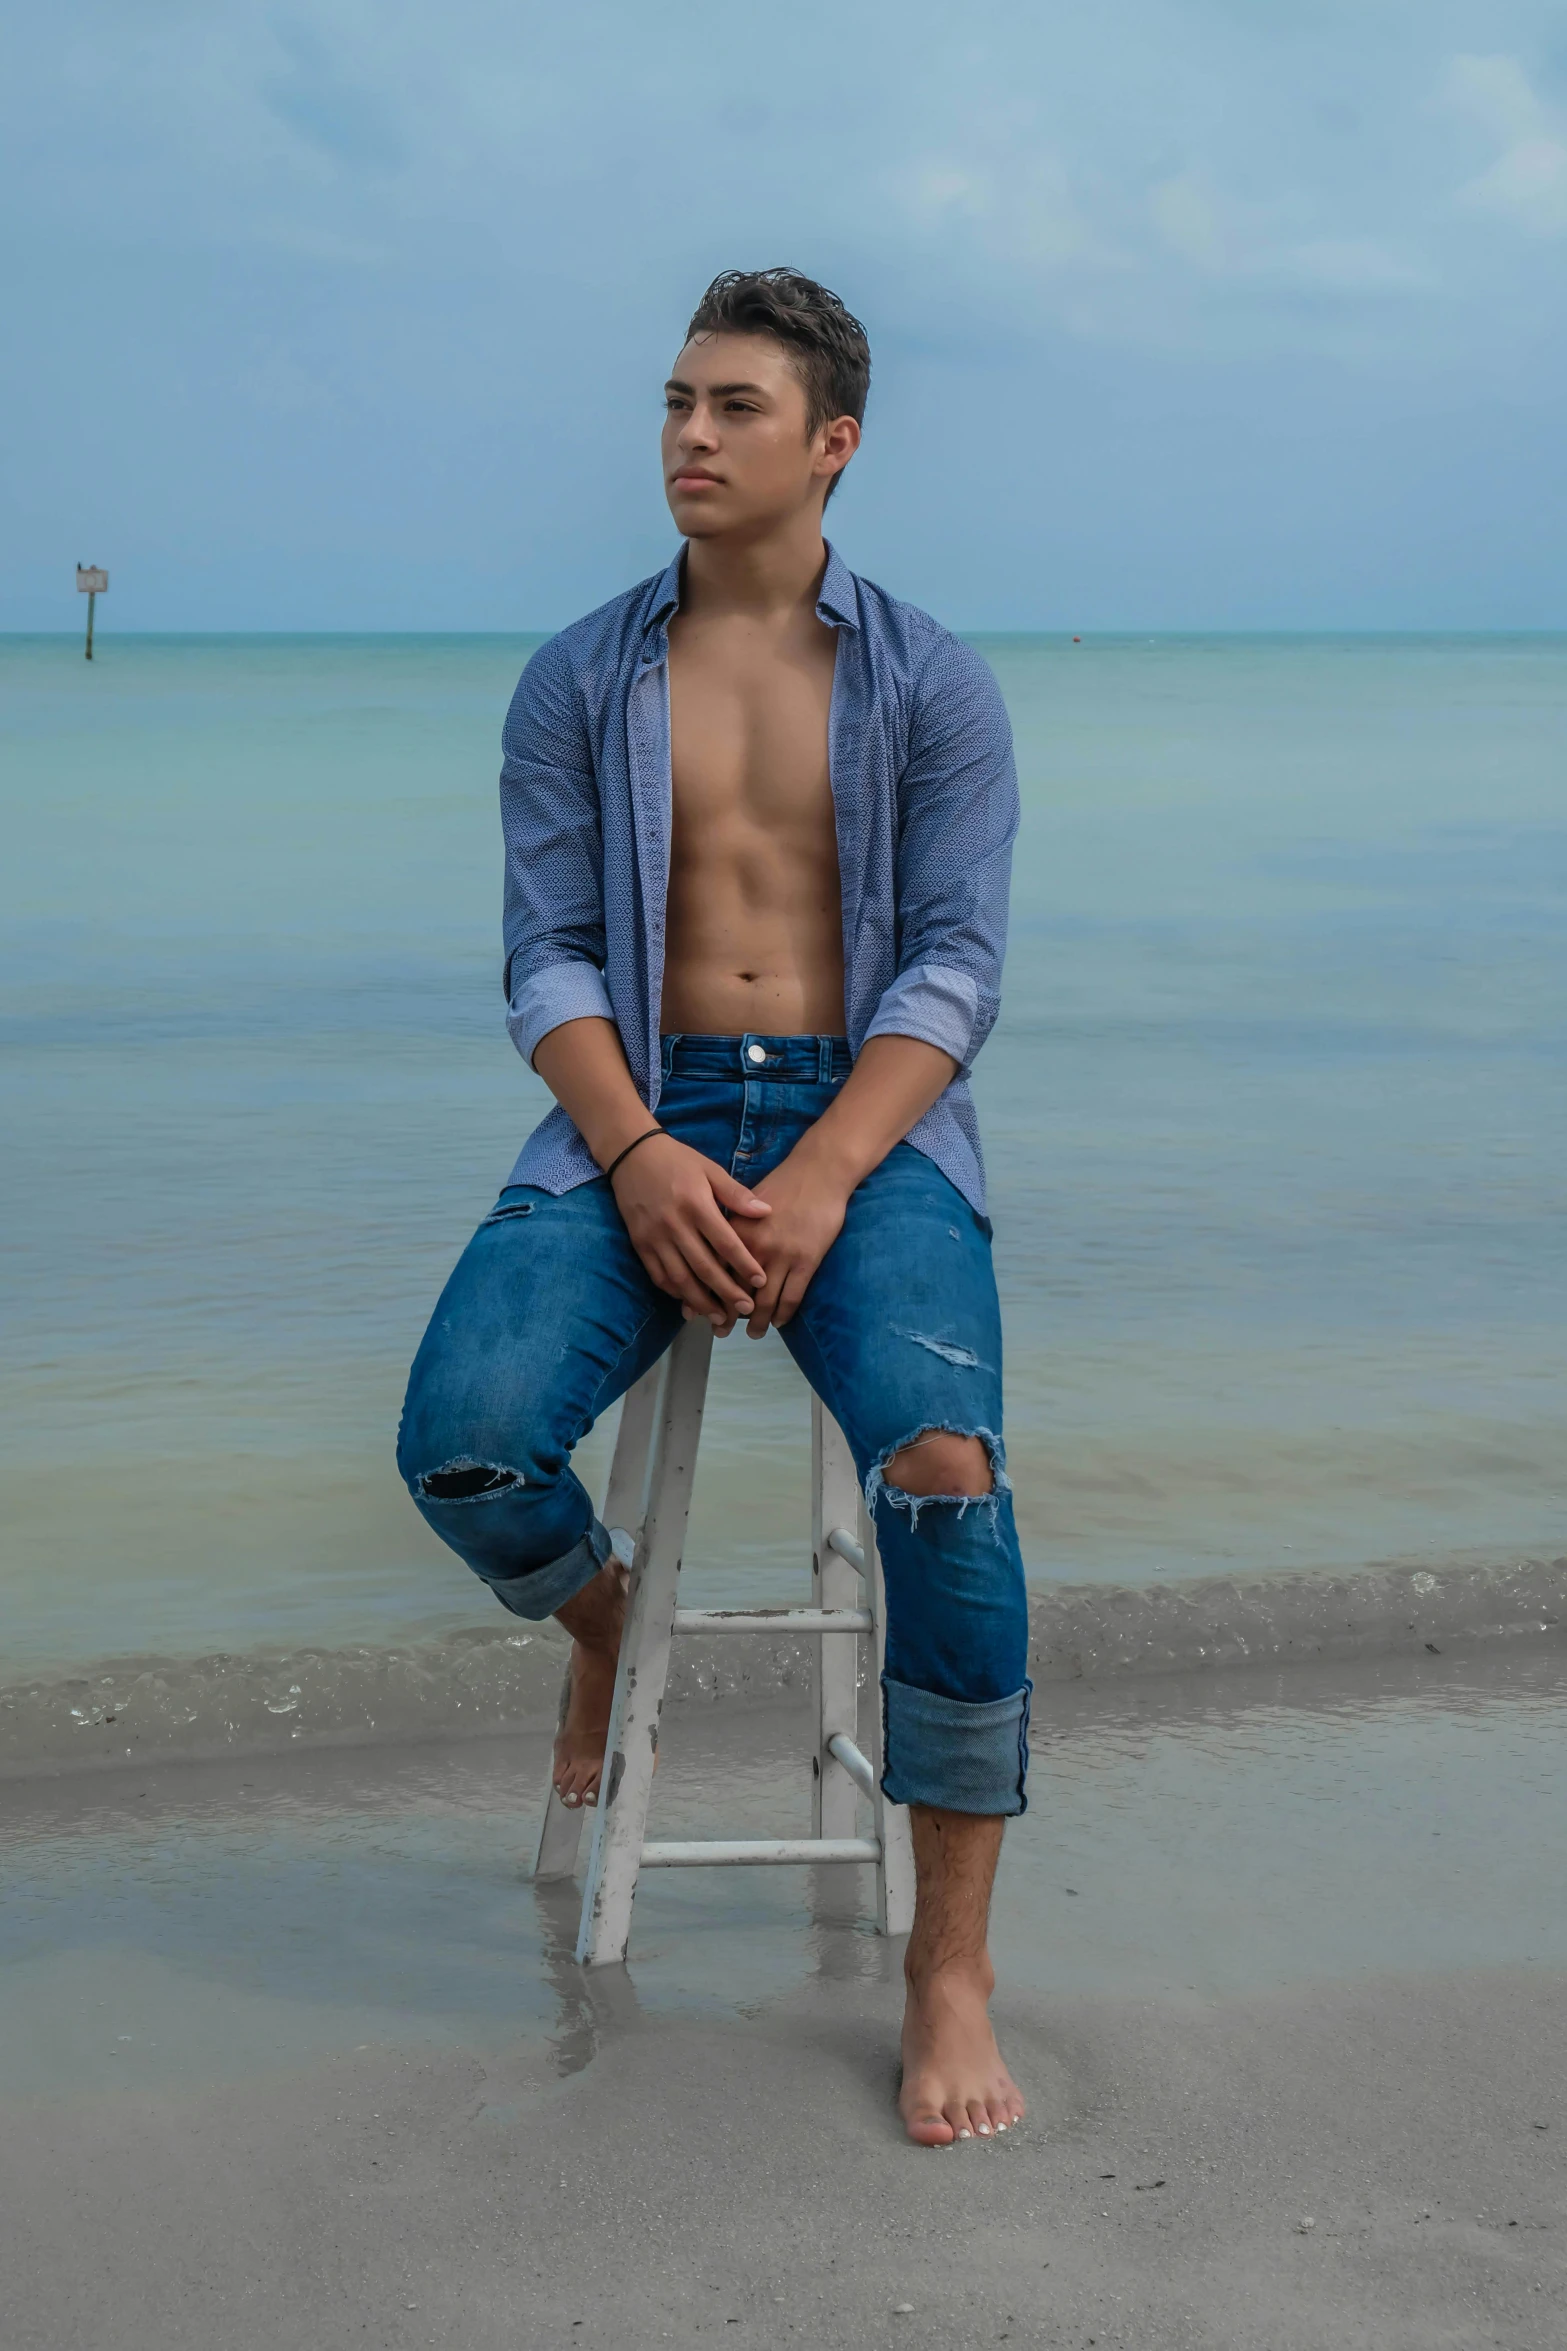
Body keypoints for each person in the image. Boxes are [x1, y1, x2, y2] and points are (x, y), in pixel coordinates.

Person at [397, 268, 1029, 2148]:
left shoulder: (930, 683)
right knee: (466, 1442)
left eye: (733, 407)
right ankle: (605, 1625)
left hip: (865, 1119)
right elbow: (547, 961)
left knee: (945, 1467)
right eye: (675, 399)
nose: (687, 433)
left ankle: (948, 1966)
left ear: (831, 443)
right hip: (642, 1106)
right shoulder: (576, 678)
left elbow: (955, 975)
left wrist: (827, 1171)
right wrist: (644, 1155)